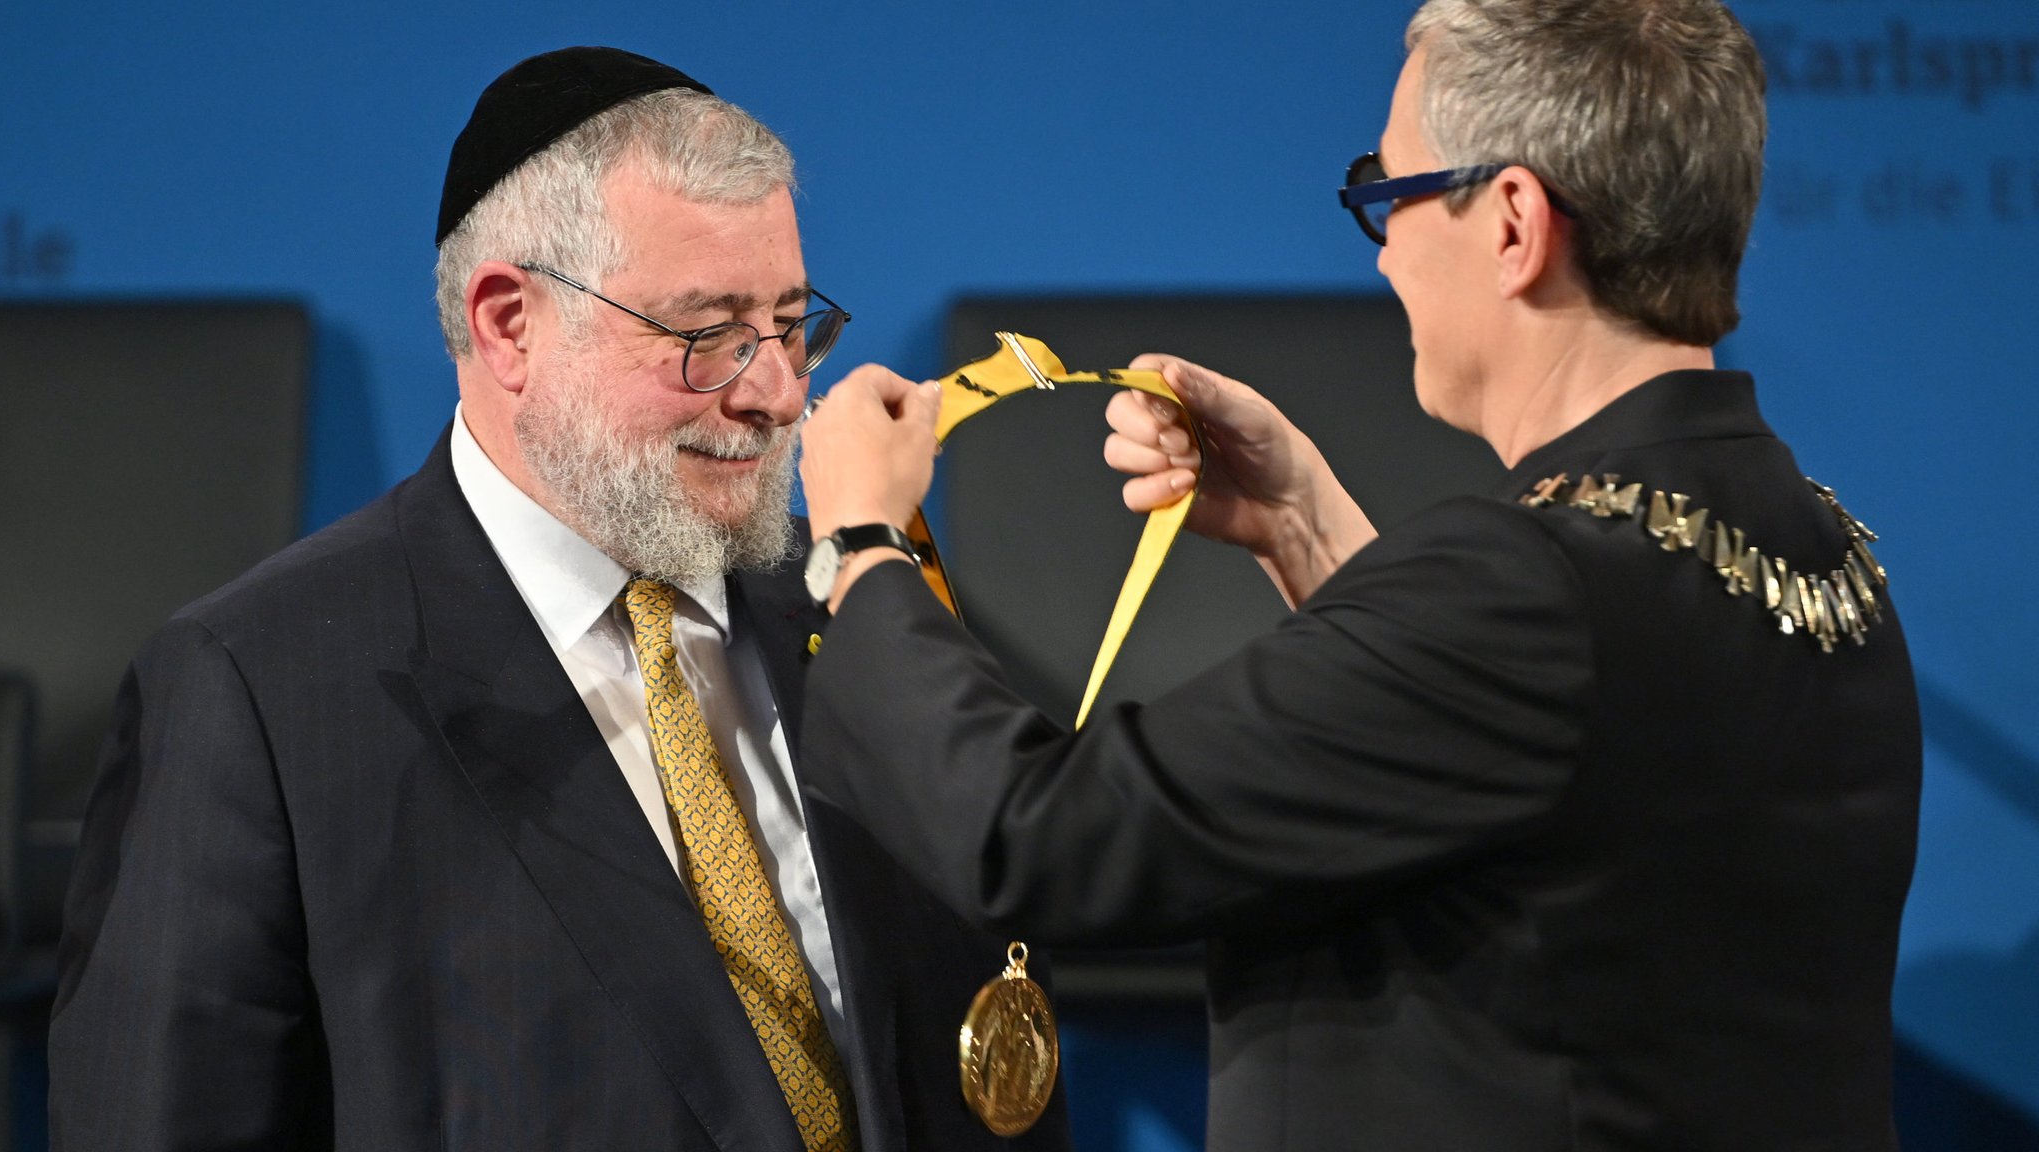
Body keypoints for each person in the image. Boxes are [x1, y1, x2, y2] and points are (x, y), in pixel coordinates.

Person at [795, 1, 1921, 1148]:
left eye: (1388, 194)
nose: (1382, 248)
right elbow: (1527, 809)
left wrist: (860, 549)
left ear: (1512, 224)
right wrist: (1303, 529)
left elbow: (1037, 841)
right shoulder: (1816, 549)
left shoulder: (1518, 585)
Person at [48, 47, 1071, 1152]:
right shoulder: (257, 693)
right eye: (708, 336)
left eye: (788, 323)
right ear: (508, 325)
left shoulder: (860, 604)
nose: (777, 392)